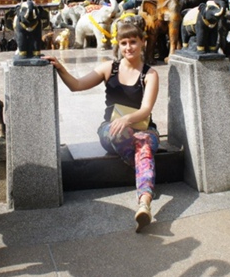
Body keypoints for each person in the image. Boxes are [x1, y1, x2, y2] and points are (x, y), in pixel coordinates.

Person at [43, 21, 160, 231]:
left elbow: (146, 109)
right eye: (124, 43)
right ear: (119, 45)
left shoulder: (150, 74)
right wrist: (60, 68)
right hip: (112, 131)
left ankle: (144, 204)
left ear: (143, 42)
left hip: (143, 129)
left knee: (143, 142)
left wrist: (126, 119)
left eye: (133, 42)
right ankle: (142, 169)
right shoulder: (109, 68)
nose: (128, 47)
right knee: (125, 137)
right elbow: (77, 85)